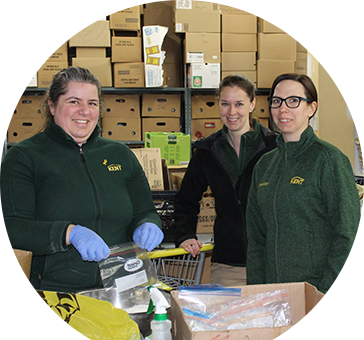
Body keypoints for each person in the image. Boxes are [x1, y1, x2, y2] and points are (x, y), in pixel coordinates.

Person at [0, 66, 163, 293]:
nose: (84, 111)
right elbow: (8, 228)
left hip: (123, 287)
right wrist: (68, 233)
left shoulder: (120, 154)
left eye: (92, 103)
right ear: (52, 105)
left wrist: (148, 224)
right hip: (55, 293)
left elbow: (144, 210)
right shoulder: (25, 157)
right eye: (74, 101)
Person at [246, 73, 364, 311]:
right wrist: (257, 295)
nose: (283, 109)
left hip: (331, 297)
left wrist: (323, 295)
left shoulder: (329, 160)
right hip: (280, 298)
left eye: (293, 100)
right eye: (276, 101)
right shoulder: (265, 165)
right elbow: (257, 238)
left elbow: (348, 233)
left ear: (311, 108)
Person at [174, 74, 277, 286]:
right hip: (228, 264)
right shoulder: (207, 151)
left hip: (272, 261)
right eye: (225, 104)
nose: (232, 112)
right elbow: (186, 198)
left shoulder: (273, 146)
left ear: (252, 104)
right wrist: (185, 234)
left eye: (239, 104)